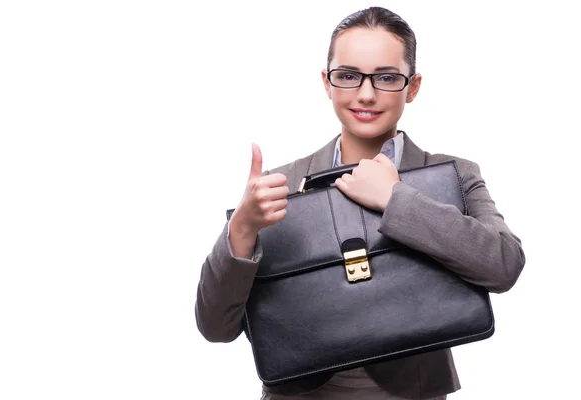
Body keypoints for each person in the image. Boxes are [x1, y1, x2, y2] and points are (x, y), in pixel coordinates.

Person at [194, 6, 525, 400]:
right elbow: (216, 327)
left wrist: (396, 199)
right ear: (326, 82)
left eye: (386, 77)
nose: (366, 94)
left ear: (413, 86)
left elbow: (504, 265)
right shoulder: (278, 185)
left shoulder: (453, 174)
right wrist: (241, 230)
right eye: (348, 76)